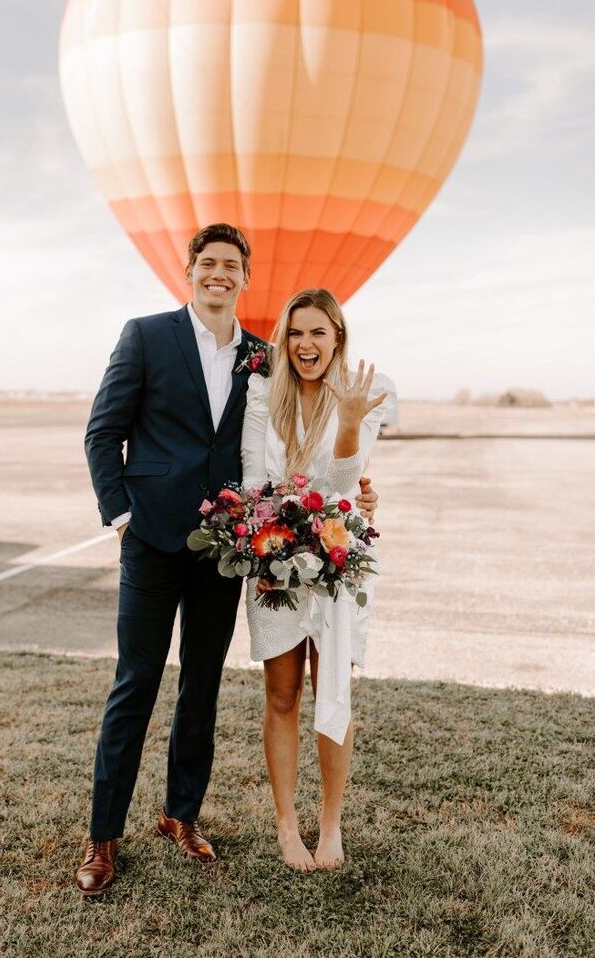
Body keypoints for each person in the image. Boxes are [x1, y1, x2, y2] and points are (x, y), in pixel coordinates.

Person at [75, 226, 380, 896]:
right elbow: (104, 431)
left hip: (227, 552)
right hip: (153, 541)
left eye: (231, 266)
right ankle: (103, 837)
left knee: (202, 687)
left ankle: (180, 815)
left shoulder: (257, 357)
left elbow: (296, 441)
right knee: (136, 685)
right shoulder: (146, 335)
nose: (218, 274)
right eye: (207, 263)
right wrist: (122, 516)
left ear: (245, 278)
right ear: (189, 271)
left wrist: (355, 494)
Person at [241, 289, 396, 873]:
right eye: (296, 334)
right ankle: (286, 826)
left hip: (336, 560)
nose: (306, 345)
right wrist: (273, 535)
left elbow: (339, 481)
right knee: (281, 694)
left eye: (318, 334)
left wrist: (350, 425)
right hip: (273, 557)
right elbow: (255, 478)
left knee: (333, 690)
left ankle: (330, 825)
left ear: (337, 339)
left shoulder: (361, 398)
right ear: (285, 340)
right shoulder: (264, 394)